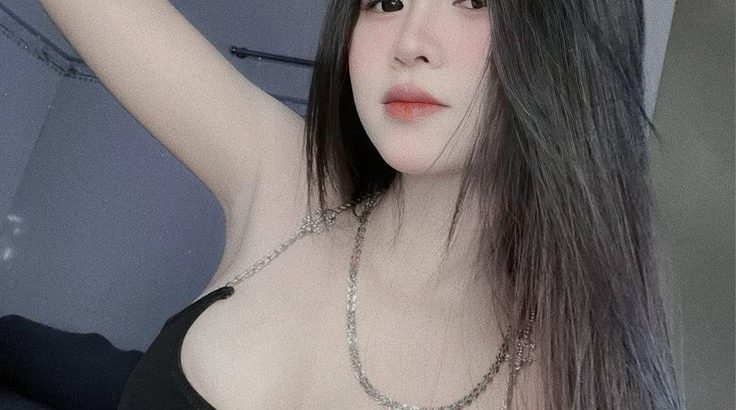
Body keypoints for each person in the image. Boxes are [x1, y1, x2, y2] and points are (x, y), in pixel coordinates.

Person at [39, 0, 683, 409]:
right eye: (387, 0)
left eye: (473, 0)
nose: (410, 41)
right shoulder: (282, 178)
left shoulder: (576, 378)